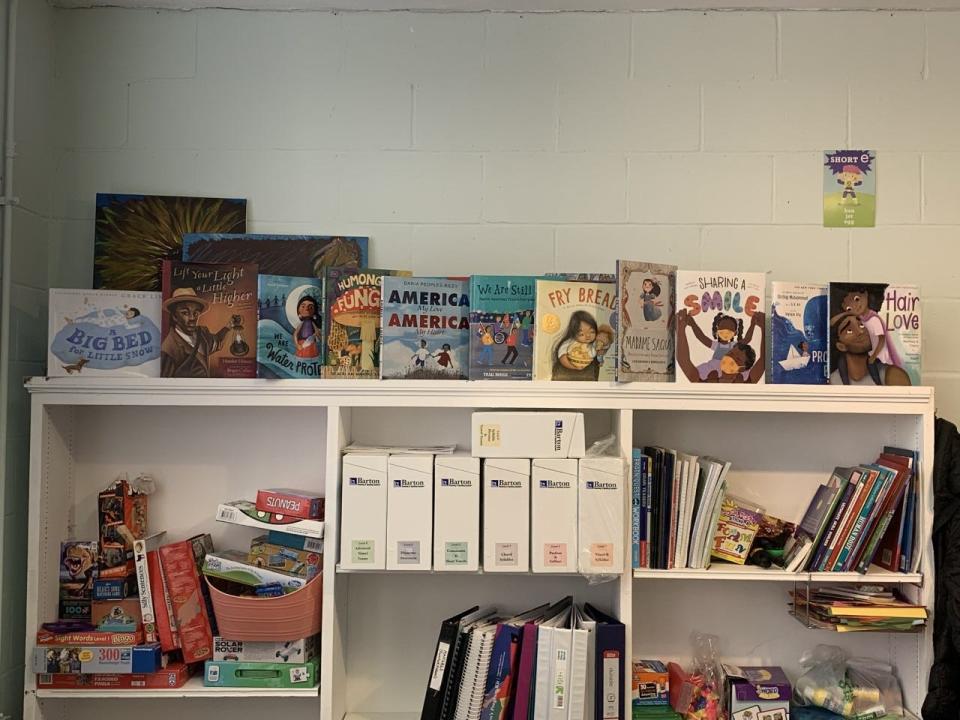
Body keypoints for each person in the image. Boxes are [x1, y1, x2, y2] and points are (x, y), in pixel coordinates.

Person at [676, 309, 766, 383]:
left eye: (737, 359)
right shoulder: (707, 378)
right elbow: (683, 360)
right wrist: (682, 328)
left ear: (743, 369)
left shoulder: (746, 381)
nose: (730, 357)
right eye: (730, 353)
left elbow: (763, 360)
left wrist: (761, 327)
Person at [160, 288, 234, 378]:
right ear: (174, 316)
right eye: (185, 313)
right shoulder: (169, 349)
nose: (192, 318)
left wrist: (229, 326)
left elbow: (218, 342)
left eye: (195, 313)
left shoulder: (202, 333)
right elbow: (166, 384)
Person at [830, 315, 911, 386]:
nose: (861, 331)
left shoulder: (894, 376)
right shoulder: (832, 382)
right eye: (849, 330)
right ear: (841, 346)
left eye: (861, 325)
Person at [551, 310, 600, 381]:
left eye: (592, 331)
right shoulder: (570, 342)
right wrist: (573, 367)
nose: (588, 336)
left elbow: (594, 354)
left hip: (586, 371)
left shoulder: (592, 344)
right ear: (573, 333)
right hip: (568, 370)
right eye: (581, 334)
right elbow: (562, 356)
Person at [293, 294, 321, 359]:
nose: (307, 309)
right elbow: (295, 334)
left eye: (310, 307)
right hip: (302, 344)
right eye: (303, 306)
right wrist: (297, 345)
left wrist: (321, 339)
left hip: (311, 344)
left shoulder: (312, 323)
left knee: (312, 358)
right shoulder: (301, 323)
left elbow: (317, 332)